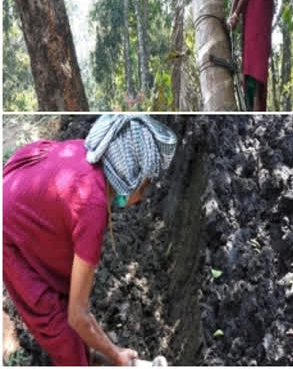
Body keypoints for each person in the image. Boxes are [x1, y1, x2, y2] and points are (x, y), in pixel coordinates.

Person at [3, 115, 177, 366]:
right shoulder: (91, 206)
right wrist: (116, 355)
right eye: (145, 186)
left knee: (66, 296)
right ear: (130, 176)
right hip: (8, 231)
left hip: (17, 195)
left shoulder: (84, 152)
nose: (142, 197)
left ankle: (92, 355)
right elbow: (78, 316)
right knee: (64, 339)